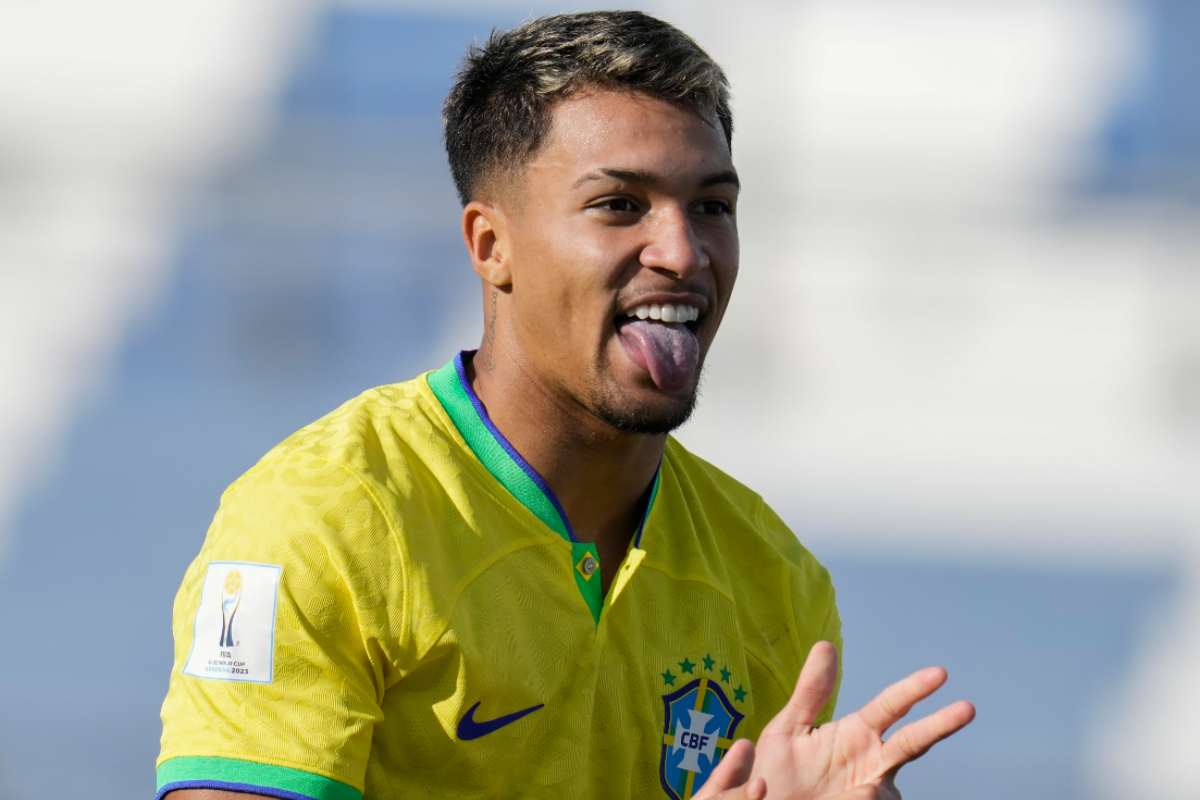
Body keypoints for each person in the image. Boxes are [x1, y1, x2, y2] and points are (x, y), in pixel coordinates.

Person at [156, 11, 973, 800]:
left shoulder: (773, 578)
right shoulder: (324, 518)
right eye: (620, 205)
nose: (683, 252)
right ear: (491, 245)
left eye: (712, 207)